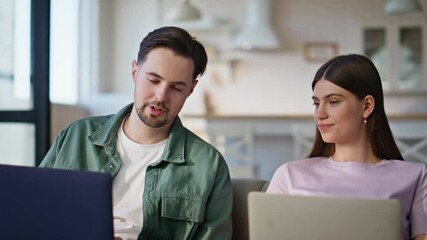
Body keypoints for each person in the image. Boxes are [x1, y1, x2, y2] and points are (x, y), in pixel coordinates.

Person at [40, 26, 233, 240]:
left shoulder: (209, 165)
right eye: (153, 80)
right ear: (135, 72)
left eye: (176, 88)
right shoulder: (77, 136)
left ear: (190, 89)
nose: (161, 96)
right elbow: (36, 211)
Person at [267, 54, 427, 240]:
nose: (319, 113)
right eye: (316, 103)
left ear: (367, 106)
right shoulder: (289, 175)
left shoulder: (416, 177)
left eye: (333, 101)